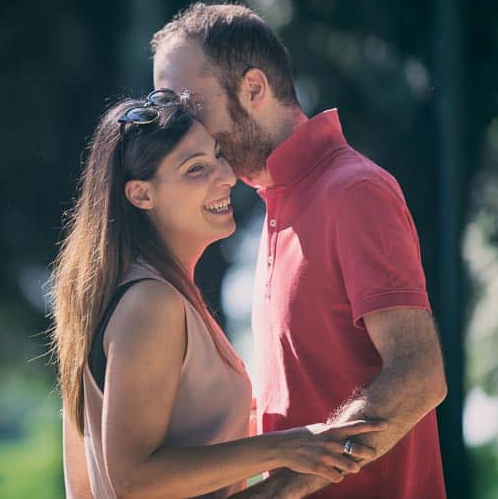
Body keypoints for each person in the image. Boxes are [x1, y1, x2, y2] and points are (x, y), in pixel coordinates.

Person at [151, 2, 448, 498]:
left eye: (189, 106)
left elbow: (419, 376)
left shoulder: (353, 191)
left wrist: (275, 492)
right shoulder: (275, 203)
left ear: (253, 89)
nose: (179, 128)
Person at [50, 94, 384, 499]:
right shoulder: (151, 304)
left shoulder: (146, 296)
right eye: (196, 169)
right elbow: (133, 481)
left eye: (218, 157)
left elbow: (82, 489)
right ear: (140, 195)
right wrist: (287, 447)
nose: (225, 177)